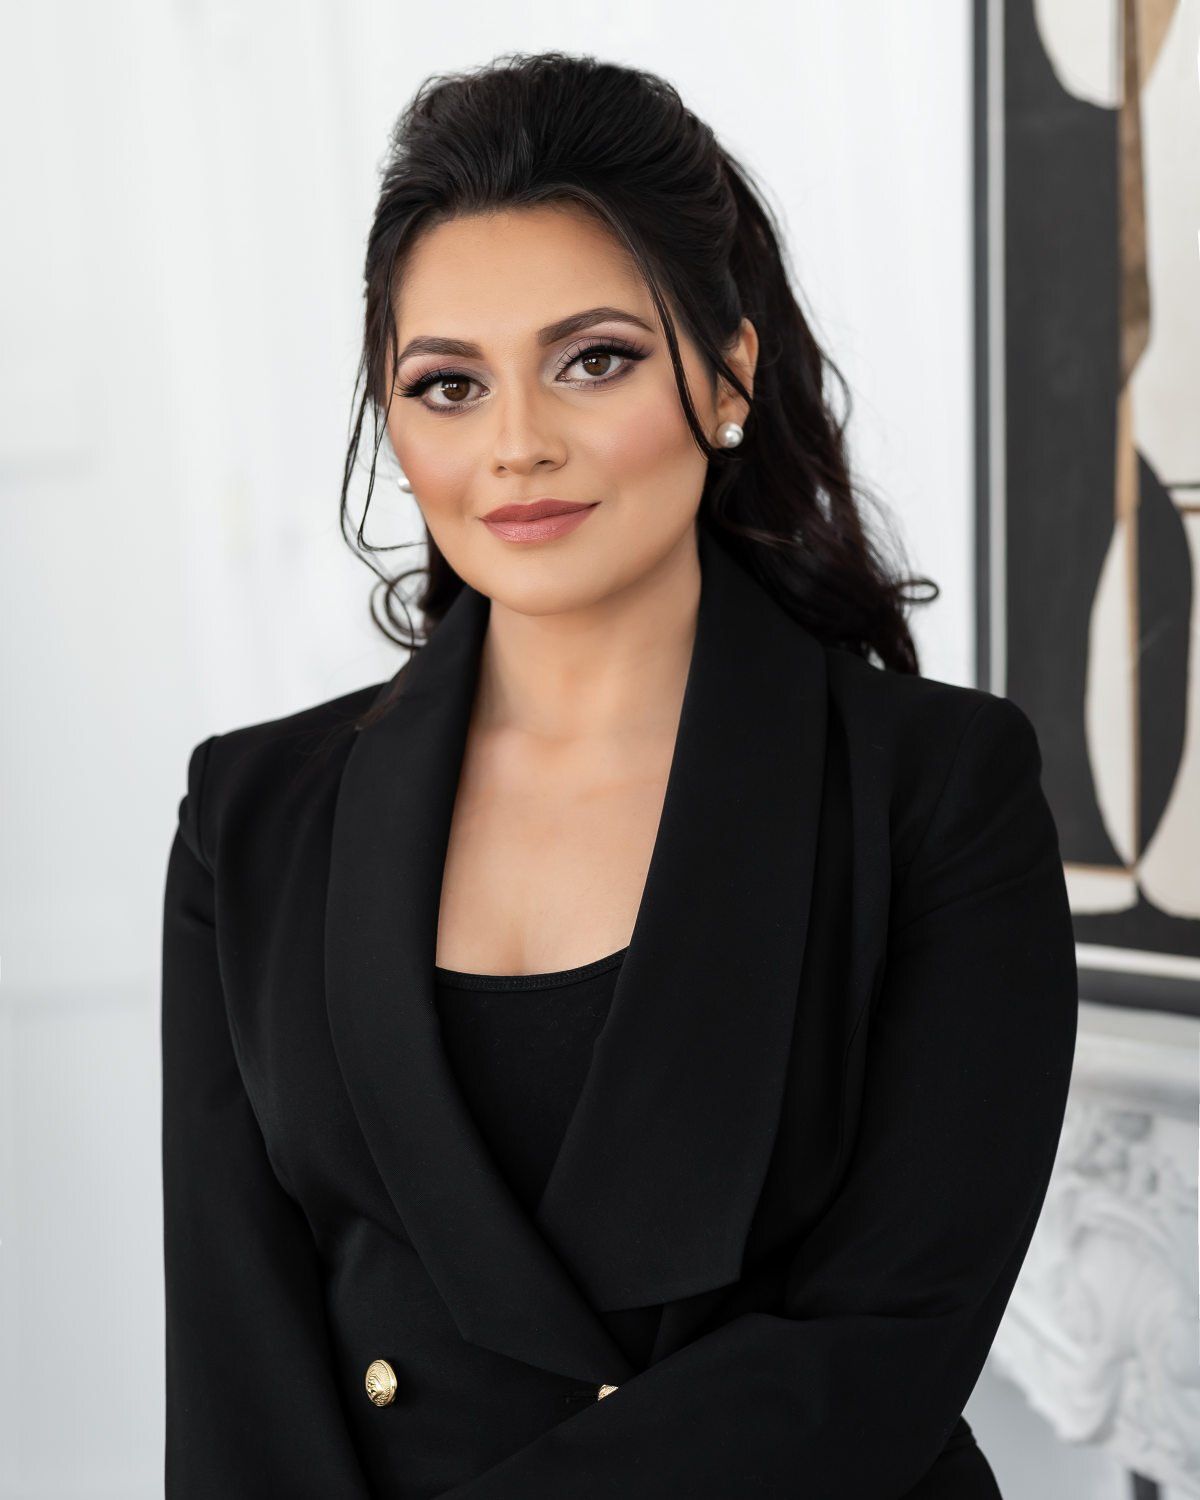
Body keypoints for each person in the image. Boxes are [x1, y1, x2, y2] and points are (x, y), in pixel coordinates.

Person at [161, 51, 1078, 1499]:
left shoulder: (936, 791)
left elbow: (886, 1337)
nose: (516, 445)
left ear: (728, 372)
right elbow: (241, 1364)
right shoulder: (255, 816)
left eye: (594, 360)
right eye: (448, 384)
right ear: (396, 433)